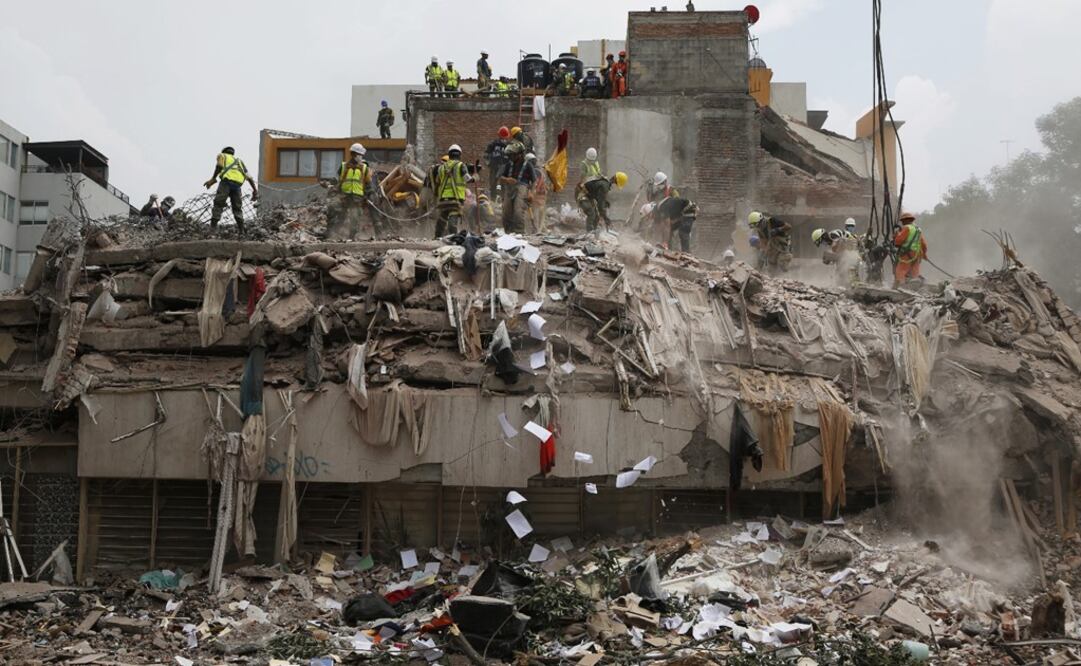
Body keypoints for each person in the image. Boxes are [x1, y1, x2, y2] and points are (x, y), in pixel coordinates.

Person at [204, 147, 257, 232]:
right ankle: (241, 230)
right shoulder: (239, 161)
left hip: (226, 183)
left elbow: (219, 166)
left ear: (224, 152)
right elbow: (249, 177)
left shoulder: (222, 155)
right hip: (237, 186)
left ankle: (212, 228)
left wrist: (213, 178)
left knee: (218, 203)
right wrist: (255, 190)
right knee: (237, 208)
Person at [332, 143, 377, 239]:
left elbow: (368, 183)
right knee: (339, 215)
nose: (361, 157)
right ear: (354, 154)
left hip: (357, 198)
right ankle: (334, 235)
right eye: (360, 154)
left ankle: (351, 237)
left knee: (354, 217)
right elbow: (339, 180)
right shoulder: (343, 166)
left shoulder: (364, 168)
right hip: (344, 196)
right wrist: (336, 189)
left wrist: (370, 193)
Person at [433, 144, 472, 238]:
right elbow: (467, 179)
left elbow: (437, 181)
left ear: (449, 155)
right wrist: (475, 176)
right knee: (453, 218)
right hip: (456, 198)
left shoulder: (441, 168)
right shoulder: (460, 165)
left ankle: (437, 237)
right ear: (459, 155)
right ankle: (453, 238)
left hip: (443, 199)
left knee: (442, 218)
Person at [498, 142, 536, 233]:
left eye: (513, 155)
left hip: (522, 188)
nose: (511, 157)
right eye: (510, 155)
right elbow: (501, 178)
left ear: (520, 154)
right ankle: (508, 233)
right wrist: (507, 179)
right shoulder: (508, 165)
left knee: (518, 212)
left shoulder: (528, 165)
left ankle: (519, 233)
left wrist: (531, 193)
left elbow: (534, 181)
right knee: (506, 212)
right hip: (509, 188)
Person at [892, 211, 927, 288]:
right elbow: (923, 244)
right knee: (915, 273)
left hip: (906, 254)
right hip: (917, 255)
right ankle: (915, 287)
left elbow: (898, 242)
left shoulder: (907, 228)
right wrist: (924, 255)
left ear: (906, 220)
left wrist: (896, 235)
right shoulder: (918, 230)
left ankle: (899, 288)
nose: (902, 223)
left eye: (903, 221)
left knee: (900, 270)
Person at [484, 127, 511, 201]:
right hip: (496, 167)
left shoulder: (494, 144)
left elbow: (486, 155)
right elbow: (486, 155)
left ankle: (501, 200)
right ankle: (499, 200)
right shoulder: (495, 144)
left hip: (501, 167)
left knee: (499, 185)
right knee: (495, 184)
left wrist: (488, 163)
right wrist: (488, 163)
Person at [525, 153, 548, 233]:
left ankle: (537, 231)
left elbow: (535, 185)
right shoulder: (538, 171)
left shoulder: (535, 172)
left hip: (538, 195)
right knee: (540, 213)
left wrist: (531, 194)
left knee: (536, 213)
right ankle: (542, 229)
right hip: (541, 195)